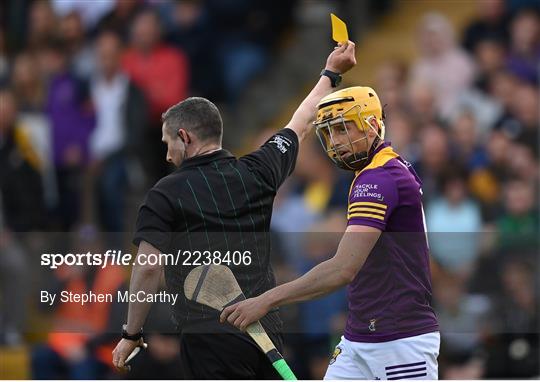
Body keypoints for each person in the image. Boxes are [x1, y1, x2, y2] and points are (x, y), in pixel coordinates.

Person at [112, 41, 357, 378]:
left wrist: (131, 333)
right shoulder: (257, 170)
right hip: (267, 333)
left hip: (211, 340)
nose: (167, 156)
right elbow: (300, 123)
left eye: (169, 144)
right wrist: (331, 73)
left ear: (184, 136)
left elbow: (149, 268)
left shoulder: (164, 194)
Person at [221, 86, 441, 379]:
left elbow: (342, 269)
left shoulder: (378, 178)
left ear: (373, 125)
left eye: (344, 129)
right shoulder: (383, 167)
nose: (336, 142)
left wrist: (266, 300)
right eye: (330, 133)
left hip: (399, 342)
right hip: (359, 339)